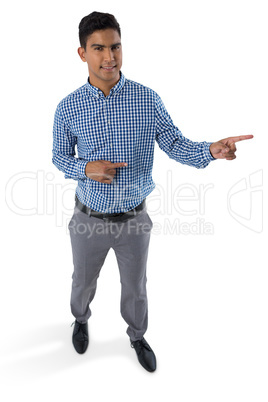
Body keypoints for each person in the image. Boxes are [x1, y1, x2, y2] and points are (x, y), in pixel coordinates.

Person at [52, 11, 253, 372]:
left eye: (115, 47)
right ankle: (80, 320)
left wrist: (210, 150)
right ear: (82, 54)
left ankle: (136, 335)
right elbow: (58, 157)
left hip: (134, 222)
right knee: (82, 280)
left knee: (136, 287)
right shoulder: (68, 108)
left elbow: (175, 143)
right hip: (88, 220)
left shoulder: (147, 99)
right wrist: (86, 168)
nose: (109, 57)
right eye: (98, 48)